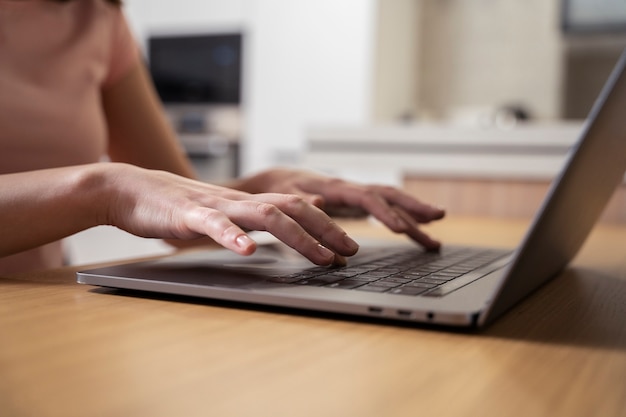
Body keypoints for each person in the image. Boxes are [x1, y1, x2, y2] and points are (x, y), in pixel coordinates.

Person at [0, 0, 445, 275]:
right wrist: (102, 190)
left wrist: (264, 188)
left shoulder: (96, 14)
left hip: (39, 301)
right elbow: (122, 190)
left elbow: (174, 210)